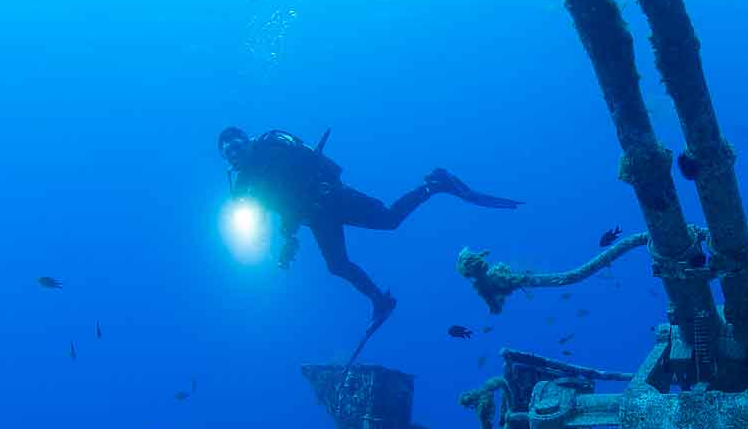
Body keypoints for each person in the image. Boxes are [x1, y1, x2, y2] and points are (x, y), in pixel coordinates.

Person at [217, 126, 520, 327]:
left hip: (331, 197)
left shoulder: (272, 144)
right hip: (314, 217)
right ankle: (381, 300)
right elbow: (278, 207)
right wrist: (287, 238)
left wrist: (319, 188)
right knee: (336, 266)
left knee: (389, 220)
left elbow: (308, 161)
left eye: (235, 145)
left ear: (248, 141)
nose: (233, 152)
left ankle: (436, 184)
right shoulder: (243, 186)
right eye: (226, 151)